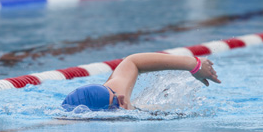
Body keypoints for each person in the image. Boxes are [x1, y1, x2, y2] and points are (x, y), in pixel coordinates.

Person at [62, 53, 221, 111]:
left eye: (115, 95)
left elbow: (132, 62)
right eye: (115, 104)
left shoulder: (116, 94)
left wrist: (193, 64)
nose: (122, 99)